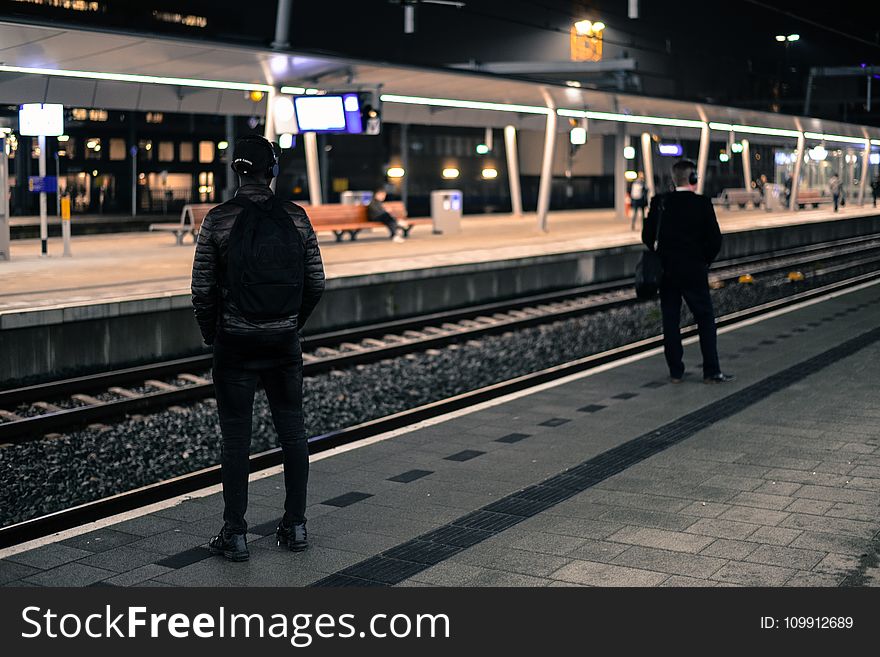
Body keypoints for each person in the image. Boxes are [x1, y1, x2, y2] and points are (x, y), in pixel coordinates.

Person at [191, 135, 325, 561]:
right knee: (293, 432)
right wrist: (290, 324)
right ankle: (296, 527)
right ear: (272, 172)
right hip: (283, 342)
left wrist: (215, 334)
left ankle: (236, 534)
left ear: (237, 170)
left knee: (236, 440)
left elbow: (202, 289)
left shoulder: (218, 219)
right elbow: (316, 283)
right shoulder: (297, 218)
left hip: (235, 343)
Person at [642, 159, 734, 384]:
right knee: (705, 318)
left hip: (667, 272)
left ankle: (676, 372)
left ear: (674, 179)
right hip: (694, 270)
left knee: (671, 321)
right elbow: (715, 240)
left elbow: (647, 236)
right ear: (692, 179)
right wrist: (704, 260)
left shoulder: (660, 202)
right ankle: (711, 371)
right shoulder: (702, 204)